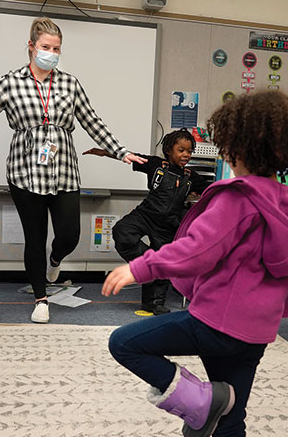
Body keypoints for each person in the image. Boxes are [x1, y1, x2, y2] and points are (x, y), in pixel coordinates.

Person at [102, 91, 288, 437]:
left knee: (124, 344)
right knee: (233, 414)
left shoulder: (238, 199)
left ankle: (199, 402)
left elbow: (198, 250)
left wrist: (141, 267)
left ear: (234, 146)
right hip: (257, 333)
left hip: (214, 322)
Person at [0, 16, 146, 324]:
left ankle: (56, 260)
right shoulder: (12, 82)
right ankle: (41, 299)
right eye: (45, 47)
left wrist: (121, 151)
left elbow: (93, 122)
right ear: (31, 46)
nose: (51, 53)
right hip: (24, 171)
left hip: (64, 168)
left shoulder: (69, 83)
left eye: (56, 48)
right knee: (35, 235)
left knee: (69, 234)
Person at [85, 128, 210, 314]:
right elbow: (129, 156)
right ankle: (147, 263)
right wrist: (105, 152)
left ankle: (153, 302)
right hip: (145, 214)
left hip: (168, 225)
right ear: (169, 150)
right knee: (122, 231)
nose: (186, 154)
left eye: (190, 151)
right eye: (181, 150)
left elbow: (212, 188)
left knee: (165, 261)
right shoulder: (155, 163)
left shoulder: (191, 177)